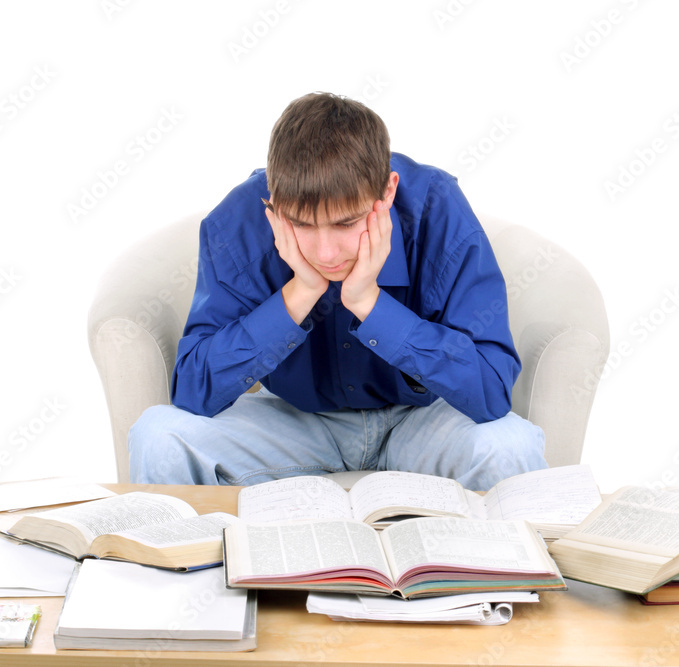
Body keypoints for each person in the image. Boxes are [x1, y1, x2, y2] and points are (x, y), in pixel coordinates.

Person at [127, 92, 546, 491]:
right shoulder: (237, 223)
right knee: (158, 436)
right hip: (294, 423)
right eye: (302, 225)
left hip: (421, 422)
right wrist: (300, 292)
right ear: (274, 202)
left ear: (387, 192)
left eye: (346, 224)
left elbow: (491, 391)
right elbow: (192, 390)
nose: (325, 253)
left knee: (511, 446)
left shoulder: (438, 210)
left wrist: (369, 303)